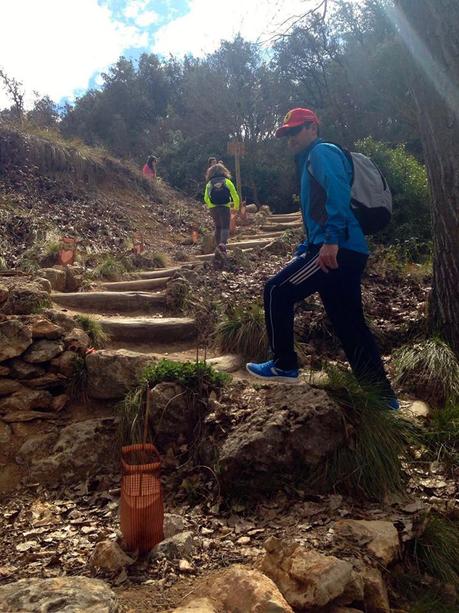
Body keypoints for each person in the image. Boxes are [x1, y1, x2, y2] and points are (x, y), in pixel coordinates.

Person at [246, 107, 399, 409]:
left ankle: (284, 363)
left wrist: (329, 241)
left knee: (277, 291)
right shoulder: (311, 160)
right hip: (347, 249)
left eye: (295, 130)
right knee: (349, 323)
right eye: (286, 132)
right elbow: (321, 210)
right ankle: (383, 398)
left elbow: (339, 194)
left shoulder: (321, 153)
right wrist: (308, 244)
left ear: (313, 128)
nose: (290, 137)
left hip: (335, 249)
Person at [204, 162, 240, 251]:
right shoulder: (227, 182)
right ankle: (223, 244)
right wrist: (236, 207)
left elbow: (205, 197)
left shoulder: (209, 184)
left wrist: (210, 205)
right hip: (225, 206)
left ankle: (218, 247)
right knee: (225, 226)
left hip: (213, 207)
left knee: (218, 227)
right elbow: (235, 195)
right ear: (224, 171)